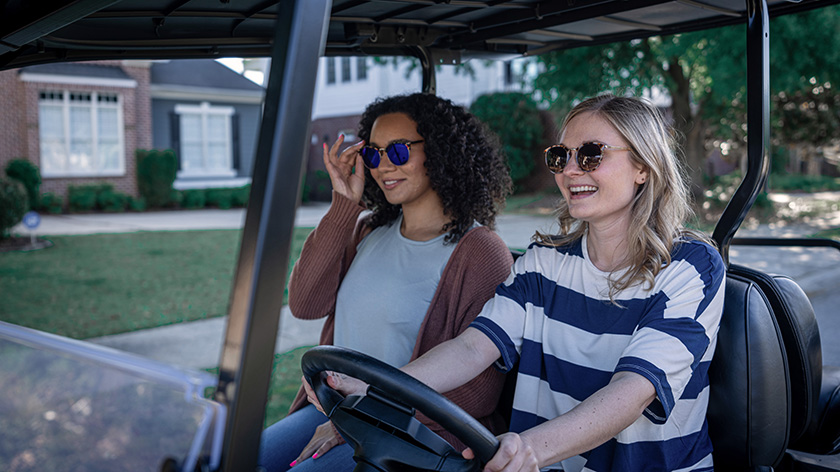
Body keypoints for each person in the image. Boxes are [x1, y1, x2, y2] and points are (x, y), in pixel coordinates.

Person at [311, 94, 726, 472]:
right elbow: (473, 347)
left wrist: (529, 449)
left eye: (592, 154)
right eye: (561, 156)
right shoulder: (543, 263)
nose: (571, 170)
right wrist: (373, 387)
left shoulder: (690, 266)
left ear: (642, 166)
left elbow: (633, 392)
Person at [258, 93, 514, 472]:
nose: (382, 166)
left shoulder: (480, 252)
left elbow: (477, 394)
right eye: (374, 154)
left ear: (441, 150)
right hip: (336, 413)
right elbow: (305, 303)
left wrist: (367, 417)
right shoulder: (367, 230)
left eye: (397, 151)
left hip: (411, 436)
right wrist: (344, 204)